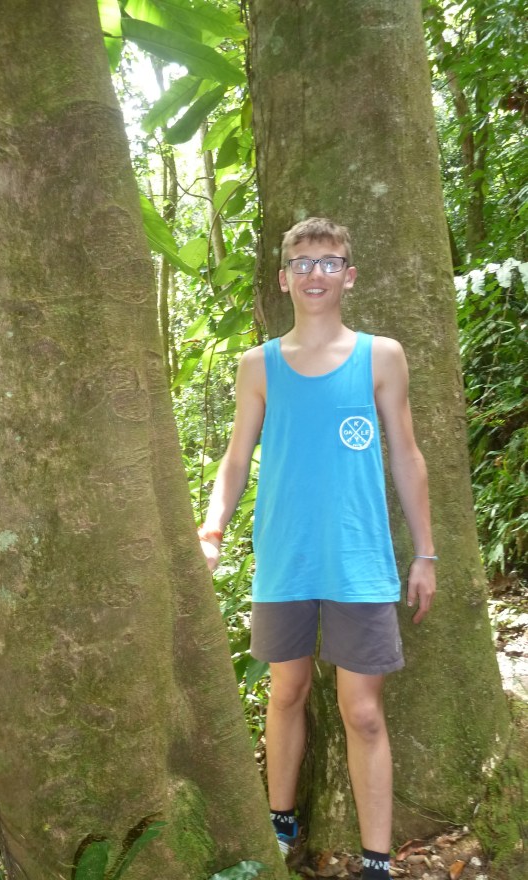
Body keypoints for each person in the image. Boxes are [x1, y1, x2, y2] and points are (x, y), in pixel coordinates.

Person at [197, 218, 436, 880]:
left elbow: (408, 456)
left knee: (363, 713)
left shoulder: (381, 356)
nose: (315, 274)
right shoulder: (259, 365)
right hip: (285, 558)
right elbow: (236, 457)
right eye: (302, 263)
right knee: (287, 692)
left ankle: (377, 860)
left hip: (360, 560)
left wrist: (425, 553)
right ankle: (280, 828)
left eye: (329, 262)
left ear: (349, 276)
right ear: (283, 279)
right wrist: (212, 529)